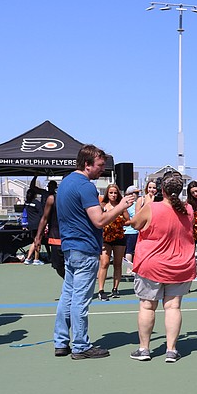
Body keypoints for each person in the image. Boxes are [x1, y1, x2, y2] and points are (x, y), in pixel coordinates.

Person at [53, 145, 135, 360]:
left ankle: (61, 341)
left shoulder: (65, 184)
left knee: (67, 296)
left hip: (70, 247)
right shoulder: (85, 187)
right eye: (99, 165)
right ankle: (80, 345)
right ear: (87, 164)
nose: (102, 170)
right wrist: (121, 206)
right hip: (85, 248)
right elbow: (99, 221)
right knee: (79, 299)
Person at [129, 172, 196, 362]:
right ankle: (171, 350)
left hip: (152, 264)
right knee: (173, 307)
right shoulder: (188, 209)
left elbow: (135, 224)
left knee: (147, 306)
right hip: (180, 265)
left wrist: (144, 204)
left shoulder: (152, 207)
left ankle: (144, 349)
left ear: (161, 190)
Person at [96, 184, 129, 300]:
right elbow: (98, 220)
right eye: (111, 193)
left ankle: (115, 288)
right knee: (104, 263)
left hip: (119, 237)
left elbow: (128, 220)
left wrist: (119, 222)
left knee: (117, 263)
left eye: (115, 193)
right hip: (105, 238)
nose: (113, 195)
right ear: (107, 194)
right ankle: (101, 290)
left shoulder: (121, 207)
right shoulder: (102, 206)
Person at [33, 181, 63, 278]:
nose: (50, 187)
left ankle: (72, 288)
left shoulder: (73, 198)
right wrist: (38, 237)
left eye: (52, 185)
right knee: (59, 267)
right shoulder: (49, 196)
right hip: (55, 236)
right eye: (49, 185)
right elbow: (44, 218)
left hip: (71, 239)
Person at [23, 176, 48, 265]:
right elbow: (42, 214)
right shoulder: (37, 203)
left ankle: (28, 258)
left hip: (31, 225)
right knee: (38, 241)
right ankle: (36, 260)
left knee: (35, 241)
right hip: (38, 224)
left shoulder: (26, 203)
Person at [122, 185, 140, 276]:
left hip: (128, 231)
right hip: (131, 231)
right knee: (130, 250)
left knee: (129, 251)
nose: (137, 195)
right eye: (135, 193)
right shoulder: (132, 205)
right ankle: (129, 269)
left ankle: (130, 268)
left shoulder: (124, 204)